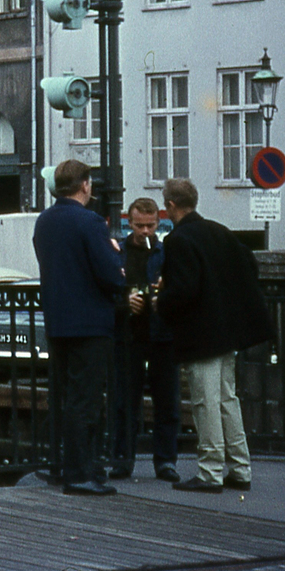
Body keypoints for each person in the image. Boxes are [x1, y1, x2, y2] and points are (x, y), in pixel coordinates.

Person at [154, 178, 275, 493]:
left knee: (205, 402)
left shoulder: (178, 240)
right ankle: (240, 468)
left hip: (201, 334)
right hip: (227, 332)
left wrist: (159, 301)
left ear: (170, 206)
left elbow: (184, 289)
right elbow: (248, 264)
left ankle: (209, 472)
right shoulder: (219, 231)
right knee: (226, 400)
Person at [33, 159, 126, 496]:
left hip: (58, 321)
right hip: (90, 322)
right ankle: (80, 473)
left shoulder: (44, 221)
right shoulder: (90, 221)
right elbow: (108, 272)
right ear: (85, 185)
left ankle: (66, 466)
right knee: (86, 400)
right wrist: (119, 265)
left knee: (66, 396)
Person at [109, 198, 180, 483]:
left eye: (151, 226)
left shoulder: (165, 253)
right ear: (129, 222)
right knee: (125, 401)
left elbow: (177, 288)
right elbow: (107, 288)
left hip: (161, 333)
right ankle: (122, 461)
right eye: (140, 226)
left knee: (167, 400)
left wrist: (162, 296)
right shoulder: (118, 253)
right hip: (129, 335)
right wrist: (125, 303)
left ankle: (165, 461)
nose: (146, 232)